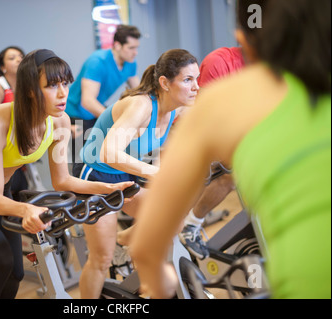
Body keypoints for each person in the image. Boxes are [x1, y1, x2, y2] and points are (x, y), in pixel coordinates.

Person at [131, 0, 331, 299]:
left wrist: (161, 285)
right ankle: (193, 223)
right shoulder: (168, 98)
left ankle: (193, 222)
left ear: (244, 40)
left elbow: (146, 247)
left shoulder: (223, 101)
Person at [0, 49, 133, 299]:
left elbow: (62, 180)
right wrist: (26, 209)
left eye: (65, 83)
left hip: (1, 189)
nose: (63, 93)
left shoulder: (60, 122)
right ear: (30, 89)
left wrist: (107, 188)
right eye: (52, 86)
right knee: (1, 262)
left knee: (16, 272)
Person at [75, 49, 200, 298]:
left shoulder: (175, 109)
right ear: (164, 83)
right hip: (94, 175)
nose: (196, 86)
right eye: (188, 80)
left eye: (197, 79)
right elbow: (109, 154)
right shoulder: (140, 106)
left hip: (123, 174)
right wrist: (157, 174)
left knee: (172, 217)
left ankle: (121, 240)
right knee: (101, 259)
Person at [179, 46, 246, 259]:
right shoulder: (220, 61)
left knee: (231, 175)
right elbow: (208, 116)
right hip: (195, 132)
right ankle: (187, 226)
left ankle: (190, 225)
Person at [65, 25, 141, 170]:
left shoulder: (130, 63)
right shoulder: (97, 61)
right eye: (131, 48)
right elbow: (87, 101)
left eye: (137, 48)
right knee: (83, 161)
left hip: (95, 110)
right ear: (118, 45)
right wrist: (116, 118)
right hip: (76, 112)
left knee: (104, 156)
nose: (135, 52)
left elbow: (139, 92)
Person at [0, 46, 28, 200]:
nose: (18, 59)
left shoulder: (27, 86)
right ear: (3, 67)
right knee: (8, 193)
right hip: (1, 148)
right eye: (12, 58)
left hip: (20, 146)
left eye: (21, 56)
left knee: (23, 191)